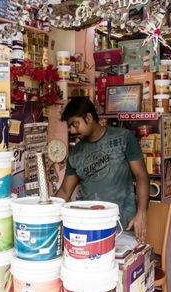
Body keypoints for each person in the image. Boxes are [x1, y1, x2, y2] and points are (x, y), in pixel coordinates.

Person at [55, 98, 149, 241]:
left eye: (75, 124)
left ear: (89, 117)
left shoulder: (123, 138)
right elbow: (65, 191)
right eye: (69, 126)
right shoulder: (76, 153)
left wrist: (142, 213)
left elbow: (141, 176)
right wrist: (46, 214)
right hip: (91, 228)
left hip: (124, 226)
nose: (72, 130)